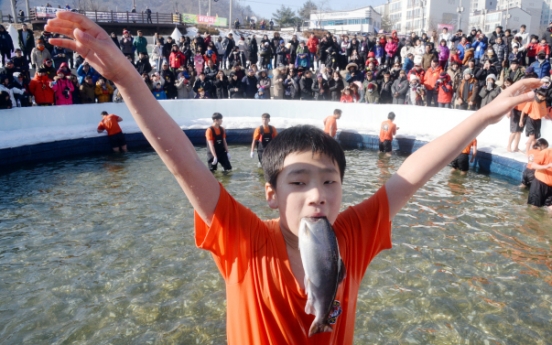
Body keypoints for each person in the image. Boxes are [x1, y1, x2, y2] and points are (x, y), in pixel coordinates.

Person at [45, 12, 544, 343]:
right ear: (271, 195)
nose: (317, 195)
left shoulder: (352, 233)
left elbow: (416, 170)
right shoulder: (244, 240)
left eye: (329, 182)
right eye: (299, 181)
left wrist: (488, 113)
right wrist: (130, 80)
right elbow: (182, 160)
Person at [520, 88, 548, 154]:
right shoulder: (532, 101)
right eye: (542, 96)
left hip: (538, 120)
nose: (543, 98)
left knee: (535, 138)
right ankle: (527, 152)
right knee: (531, 136)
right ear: (537, 94)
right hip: (531, 120)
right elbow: (524, 111)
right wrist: (521, 121)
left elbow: (544, 111)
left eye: (544, 97)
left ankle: (533, 151)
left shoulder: (543, 102)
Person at [527, 143, 552, 209]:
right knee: (534, 207)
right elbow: (533, 165)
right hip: (540, 184)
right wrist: (547, 166)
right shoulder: (546, 152)